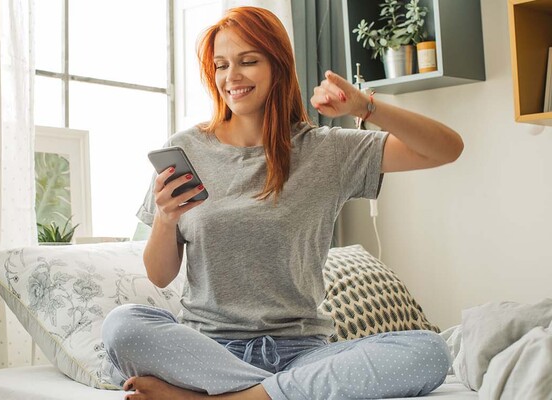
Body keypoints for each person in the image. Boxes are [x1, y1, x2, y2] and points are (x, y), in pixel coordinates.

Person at [102, 6, 462, 400]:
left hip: (301, 354)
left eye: (248, 61)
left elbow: (446, 149)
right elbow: (158, 276)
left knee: (428, 351)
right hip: (209, 350)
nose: (231, 76)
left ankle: (228, 398)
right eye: (221, 65)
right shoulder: (185, 149)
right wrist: (165, 219)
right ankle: (277, 394)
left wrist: (365, 107)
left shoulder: (326, 151)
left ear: (278, 66)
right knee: (123, 324)